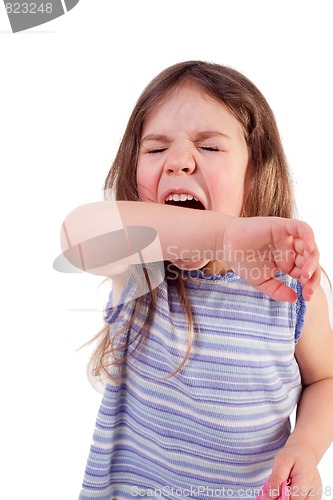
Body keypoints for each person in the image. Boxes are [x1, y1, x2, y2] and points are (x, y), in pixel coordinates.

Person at [59, 61, 333, 499]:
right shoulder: (138, 271)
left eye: (209, 147)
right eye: (155, 149)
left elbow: (325, 380)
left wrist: (305, 447)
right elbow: (77, 235)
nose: (179, 161)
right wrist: (223, 236)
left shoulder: (293, 291)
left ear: (256, 168)